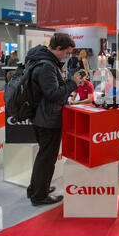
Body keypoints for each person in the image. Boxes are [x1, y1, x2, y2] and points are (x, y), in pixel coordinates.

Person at [25, 33, 82, 206]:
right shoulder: (47, 66)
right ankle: (39, 195)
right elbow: (53, 94)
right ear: (58, 48)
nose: (67, 56)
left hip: (41, 116)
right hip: (48, 118)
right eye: (66, 52)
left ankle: (36, 188)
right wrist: (73, 83)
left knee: (44, 156)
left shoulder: (39, 60)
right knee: (47, 158)